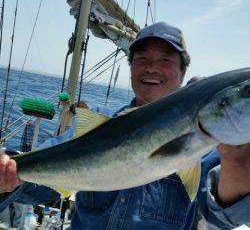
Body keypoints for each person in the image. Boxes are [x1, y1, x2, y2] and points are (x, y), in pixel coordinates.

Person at [0, 22, 249, 229]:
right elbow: (42, 188)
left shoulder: (213, 151)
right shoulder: (95, 125)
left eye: (165, 59)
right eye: (142, 58)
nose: (151, 67)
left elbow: (223, 217)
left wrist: (236, 160)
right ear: (130, 68)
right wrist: (9, 175)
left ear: (183, 73)